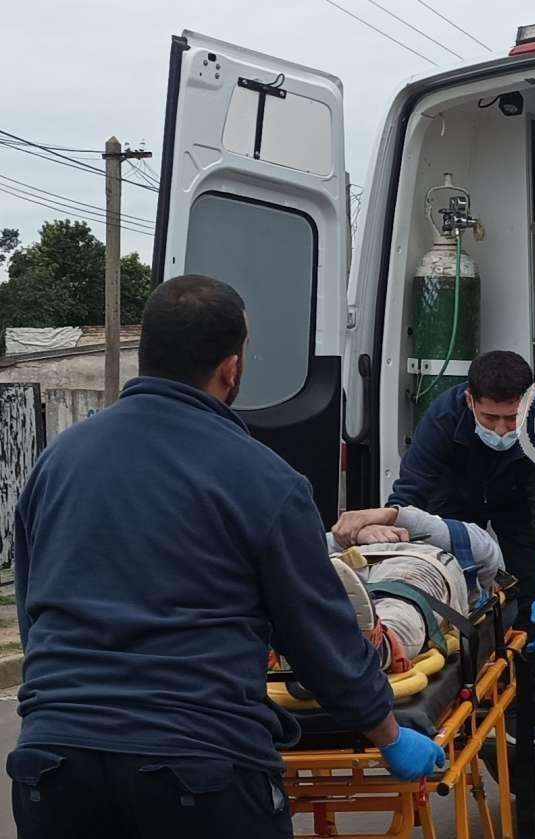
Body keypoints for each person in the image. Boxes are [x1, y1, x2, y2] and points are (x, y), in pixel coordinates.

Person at [8, 275, 442, 839]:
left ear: (146, 355)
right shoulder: (264, 480)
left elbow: (33, 608)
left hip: (53, 765)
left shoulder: (57, 462)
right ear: (231, 368)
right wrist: (388, 734)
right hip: (197, 768)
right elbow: (318, 637)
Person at [333, 351, 535, 655]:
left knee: (529, 592)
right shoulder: (443, 416)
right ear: (470, 400)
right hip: (455, 497)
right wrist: (387, 530)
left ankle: (522, 675)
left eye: (512, 418)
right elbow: (410, 495)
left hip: (518, 501)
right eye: (490, 418)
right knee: (448, 576)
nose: (501, 429)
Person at [323, 509, 505, 671]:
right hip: (349, 556)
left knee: (404, 598)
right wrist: (363, 531)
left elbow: (487, 552)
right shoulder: (430, 525)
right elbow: (487, 550)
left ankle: (375, 645)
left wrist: (389, 518)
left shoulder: (458, 555)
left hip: (416, 560)